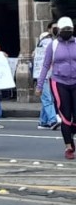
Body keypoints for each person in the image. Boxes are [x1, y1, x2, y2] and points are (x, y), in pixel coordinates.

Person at [36, 16, 76, 160]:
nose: (67, 32)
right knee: (65, 114)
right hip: (59, 82)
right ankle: (68, 146)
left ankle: (70, 136)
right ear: (58, 30)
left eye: (69, 30)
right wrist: (39, 85)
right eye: (64, 29)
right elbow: (45, 66)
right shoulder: (52, 46)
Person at [37, 21, 61, 130]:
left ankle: (42, 121)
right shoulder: (48, 42)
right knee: (48, 98)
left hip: (49, 74)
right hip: (44, 75)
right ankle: (52, 120)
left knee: (47, 98)